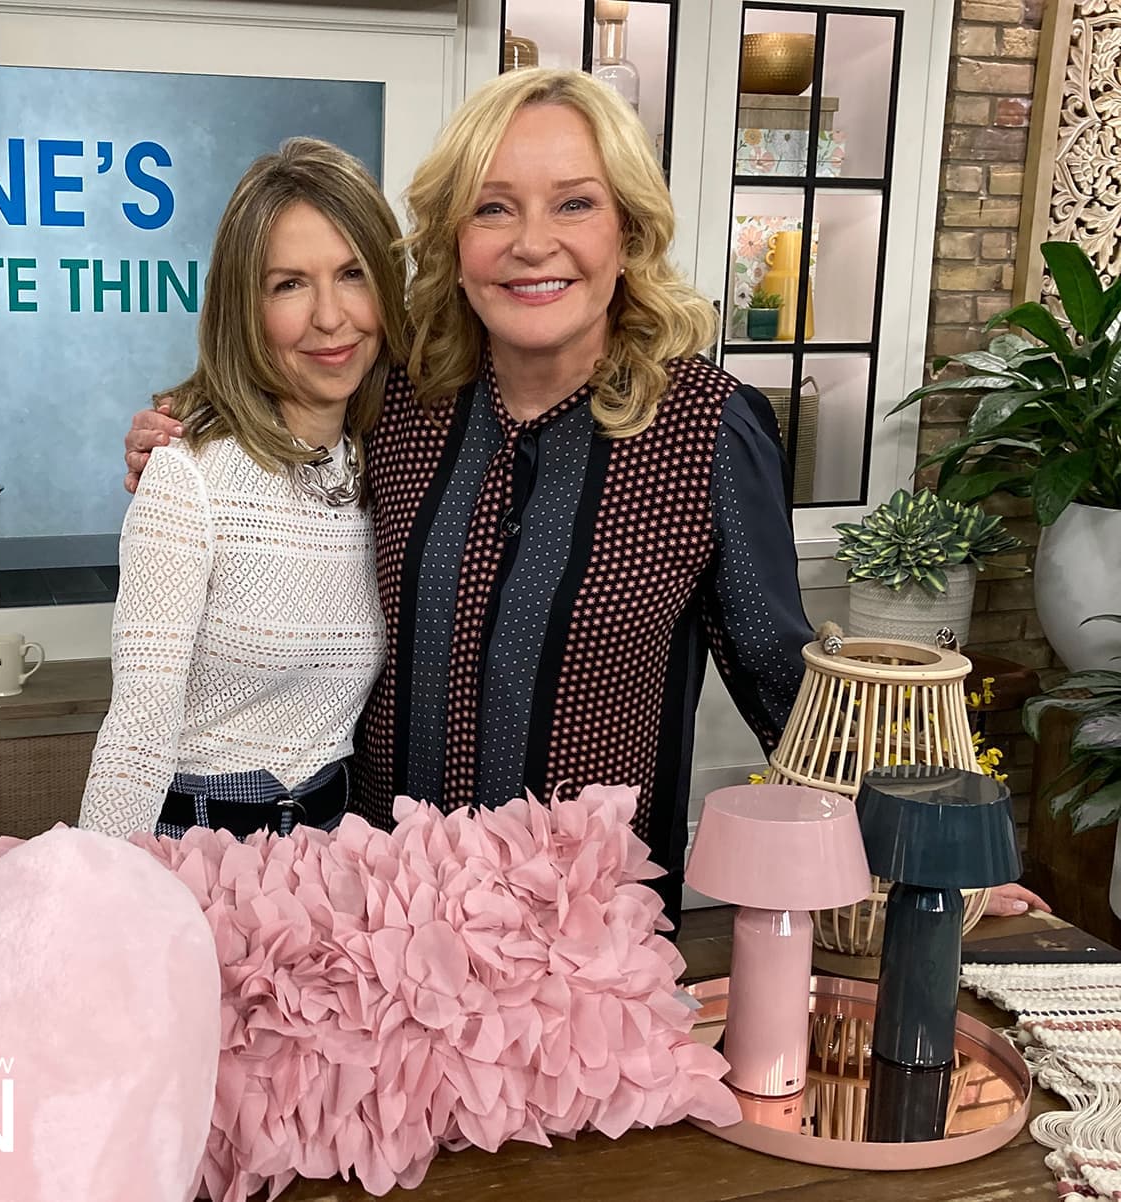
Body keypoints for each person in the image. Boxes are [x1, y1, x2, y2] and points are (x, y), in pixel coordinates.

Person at [123, 69, 1047, 921]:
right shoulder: (401, 400)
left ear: (628, 230)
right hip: (383, 919)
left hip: (589, 940)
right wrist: (177, 434)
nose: (533, 244)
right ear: (456, 240)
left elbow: (785, 682)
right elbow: (278, 430)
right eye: (494, 209)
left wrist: (933, 844)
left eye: (575, 203)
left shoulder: (704, 429)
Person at [77, 138, 408, 841]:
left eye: (353, 274)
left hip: (335, 856)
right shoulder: (186, 472)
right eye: (289, 283)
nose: (330, 316)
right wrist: (95, 899)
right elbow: (138, 726)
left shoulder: (394, 461)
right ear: (245, 306)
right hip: (196, 856)